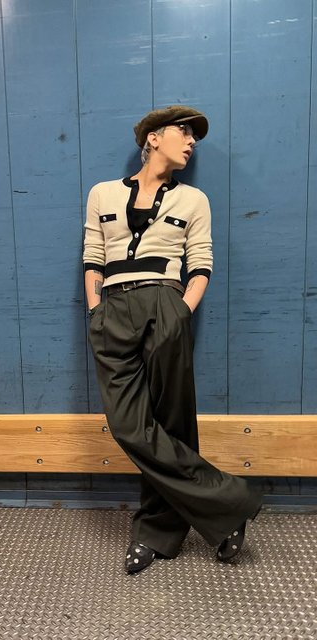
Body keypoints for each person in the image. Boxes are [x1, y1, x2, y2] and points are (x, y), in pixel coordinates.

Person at [83, 105, 263, 575]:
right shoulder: (102, 193)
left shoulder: (193, 199)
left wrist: (181, 311)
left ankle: (155, 532)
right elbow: (93, 255)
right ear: (153, 137)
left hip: (166, 302)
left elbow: (200, 263)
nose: (191, 141)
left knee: (172, 422)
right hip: (113, 309)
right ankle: (231, 502)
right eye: (183, 131)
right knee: (130, 426)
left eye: (193, 136)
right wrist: (96, 310)